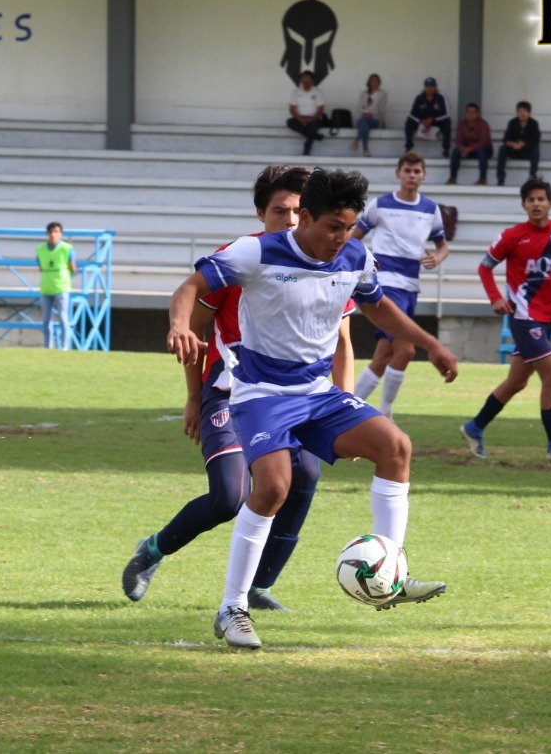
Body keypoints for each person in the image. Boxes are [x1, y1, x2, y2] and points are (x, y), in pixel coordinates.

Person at [166, 168, 459, 650]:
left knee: (396, 447)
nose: (339, 238)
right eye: (331, 227)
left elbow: (378, 306)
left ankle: (391, 572)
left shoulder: (355, 254)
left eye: (347, 228)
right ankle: (232, 607)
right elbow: (190, 288)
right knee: (275, 487)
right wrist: (180, 326)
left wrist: (430, 344)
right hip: (260, 393)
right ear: (304, 217)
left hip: (316, 394)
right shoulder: (257, 251)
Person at [123, 165, 356, 613]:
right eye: (279, 210)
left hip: (298, 396)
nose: (289, 220)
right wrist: (194, 396)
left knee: (305, 475)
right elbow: (197, 328)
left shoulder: (328, 261)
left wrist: (344, 405)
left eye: (296, 212)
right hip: (231, 392)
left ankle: (258, 588)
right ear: (260, 212)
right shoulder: (241, 257)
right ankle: (152, 550)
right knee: (230, 496)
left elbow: (343, 343)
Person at [460, 178, 551, 463]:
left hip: (547, 319)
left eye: (541, 199)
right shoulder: (512, 236)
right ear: (523, 205)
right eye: (531, 200)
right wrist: (495, 297)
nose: (536, 204)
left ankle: (475, 427)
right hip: (524, 318)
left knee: (516, 382)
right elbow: (485, 267)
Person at [351, 152, 449, 418]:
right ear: (398, 173)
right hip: (386, 282)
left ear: (423, 175)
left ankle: (349, 407)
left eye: (417, 171)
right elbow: (353, 239)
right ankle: (385, 413)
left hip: (410, 286)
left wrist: (437, 258)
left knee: (385, 354)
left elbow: (443, 246)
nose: (412, 175)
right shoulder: (380, 205)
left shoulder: (430, 209)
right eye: (407, 170)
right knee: (405, 349)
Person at [37, 221, 77, 350]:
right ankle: (48, 345)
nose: (53, 235)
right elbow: (41, 267)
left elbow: (73, 268)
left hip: (62, 287)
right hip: (46, 287)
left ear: (61, 234)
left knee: (63, 317)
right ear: (47, 234)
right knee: (46, 318)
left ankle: (64, 346)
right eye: (51, 232)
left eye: (56, 232)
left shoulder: (67, 248)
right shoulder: (41, 250)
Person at [403, 77, 451, 158]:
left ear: (436, 87)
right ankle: (409, 148)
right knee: (409, 122)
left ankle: (446, 149)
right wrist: (421, 121)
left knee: (447, 122)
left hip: (436, 122)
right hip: (422, 122)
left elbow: (446, 113)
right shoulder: (419, 96)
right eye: (427, 86)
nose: (430, 88)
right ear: (424, 87)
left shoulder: (441, 96)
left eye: (432, 86)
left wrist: (432, 119)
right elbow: (412, 113)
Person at [496, 101, 541, 186]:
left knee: (536, 150)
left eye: (524, 111)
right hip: (514, 150)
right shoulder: (512, 123)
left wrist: (523, 144)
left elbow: (535, 141)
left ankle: (532, 176)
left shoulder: (534, 124)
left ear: (529, 113)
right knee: (502, 149)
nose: (522, 114)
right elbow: (506, 139)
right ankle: (500, 178)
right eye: (520, 111)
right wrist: (512, 143)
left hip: (527, 151)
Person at [447, 103, 493, 185]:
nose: (470, 115)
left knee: (481, 151)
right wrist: (462, 149)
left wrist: (469, 149)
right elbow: (458, 140)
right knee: (455, 151)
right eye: (468, 112)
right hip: (466, 150)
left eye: (473, 112)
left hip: (483, 150)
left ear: (477, 114)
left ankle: (482, 179)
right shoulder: (461, 124)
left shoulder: (483, 124)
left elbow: (483, 141)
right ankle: (452, 178)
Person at [286, 70, 325, 156]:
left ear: (312, 81)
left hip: (314, 118)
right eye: (304, 78)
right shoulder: (296, 92)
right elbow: (292, 109)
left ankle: (307, 149)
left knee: (314, 126)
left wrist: (311, 119)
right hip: (300, 118)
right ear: (300, 81)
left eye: (308, 79)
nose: (306, 81)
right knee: (289, 122)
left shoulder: (317, 92)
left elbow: (321, 109)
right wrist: (301, 119)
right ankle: (315, 136)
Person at [349, 73, 387, 157]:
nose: (374, 82)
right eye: (372, 80)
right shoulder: (363, 94)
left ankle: (356, 140)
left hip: (375, 120)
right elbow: (359, 107)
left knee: (364, 122)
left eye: (376, 81)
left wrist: (381, 119)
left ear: (379, 82)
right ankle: (365, 149)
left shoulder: (382, 94)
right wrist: (363, 113)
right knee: (364, 122)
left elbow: (382, 109)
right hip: (363, 118)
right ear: (369, 82)